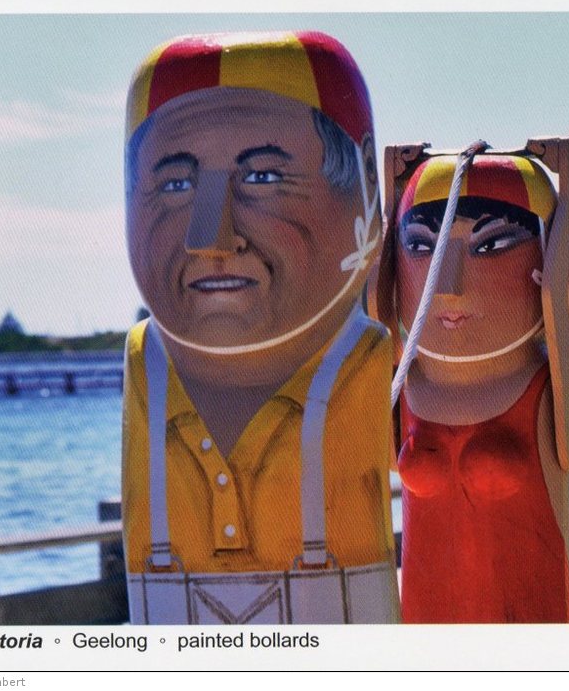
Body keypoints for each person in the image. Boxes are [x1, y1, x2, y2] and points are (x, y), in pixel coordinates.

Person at [121, 31, 398, 624]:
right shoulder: (145, 366)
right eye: (174, 184)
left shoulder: (367, 359)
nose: (209, 238)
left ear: (368, 194)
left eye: (264, 178)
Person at [379, 153, 569, 622]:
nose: (448, 285)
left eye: (491, 245)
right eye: (423, 247)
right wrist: (393, 183)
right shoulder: (402, 382)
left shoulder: (548, 380)